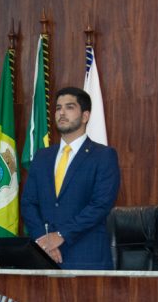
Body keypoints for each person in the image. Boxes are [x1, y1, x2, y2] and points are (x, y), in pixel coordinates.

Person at [21, 87, 121, 270]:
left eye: (69, 107)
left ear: (85, 116)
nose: (61, 113)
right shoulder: (42, 157)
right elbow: (28, 203)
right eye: (58, 108)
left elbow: (100, 204)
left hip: (86, 257)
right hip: (43, 257)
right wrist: (44, 242)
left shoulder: (103, 156)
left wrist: (61, 235)